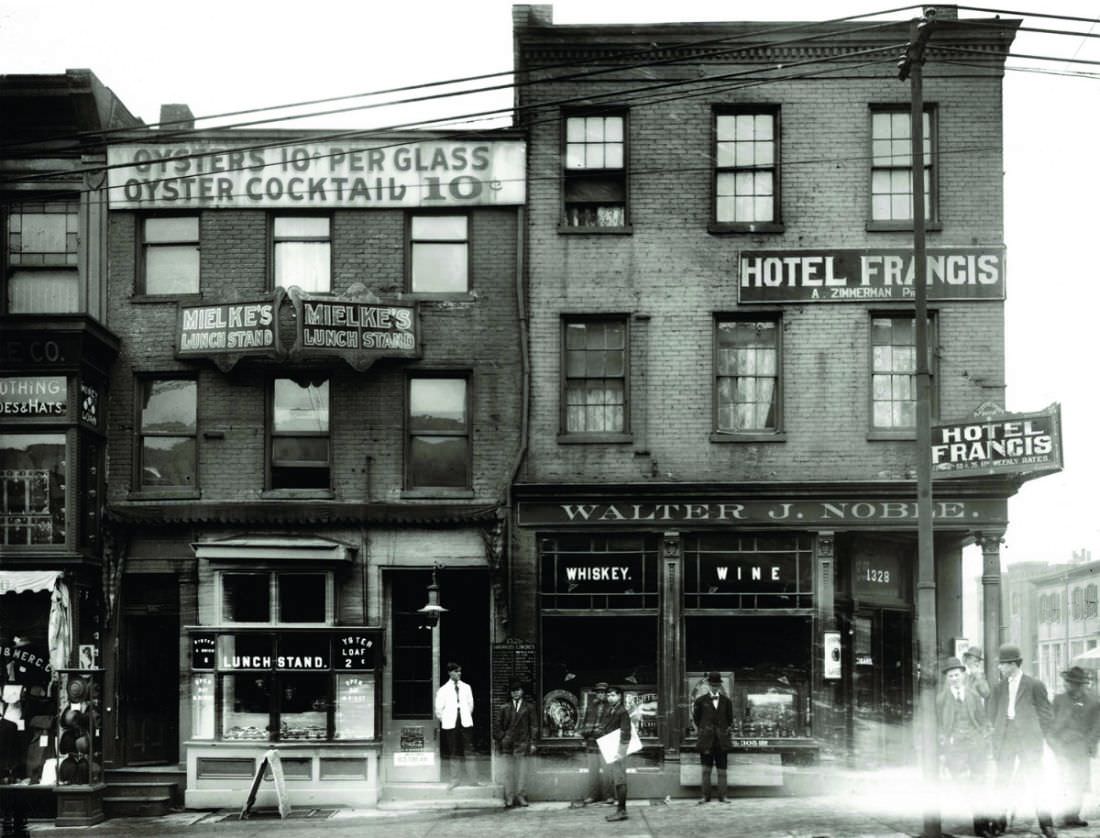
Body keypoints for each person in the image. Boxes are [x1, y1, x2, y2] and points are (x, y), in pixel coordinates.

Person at [988, 643, 1056, 838]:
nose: (999, 668)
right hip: (1006, 739)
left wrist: (1036, 737)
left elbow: (1046, 716)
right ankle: (998, 822)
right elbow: (992, 715)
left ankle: (1046, 825)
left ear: (1012, 664)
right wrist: (999, 734)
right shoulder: (999, 687)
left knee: (1037, 781)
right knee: (1002, 781)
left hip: (1029, 742)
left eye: (1002, 664)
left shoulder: (1034, 685)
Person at [936, 657, 993, 837]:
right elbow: (939, 724)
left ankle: (981, 825)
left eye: (957, 675)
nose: (954, 678)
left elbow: (983, 719)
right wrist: (944, 744)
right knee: (962, 784)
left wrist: (985, 737)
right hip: (955, 748)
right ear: (947, 678)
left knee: (979, 782)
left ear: (963, 675)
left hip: (976, 744)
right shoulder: (941, 699)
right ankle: (980, 817)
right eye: (951, 676)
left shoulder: (973, 695)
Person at [1049, 666, 1100, 829]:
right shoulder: (1058, 699)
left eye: (1068, 682)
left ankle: (1073, 816)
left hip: (1081, 748)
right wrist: (1055, 745)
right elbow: (1050, 723)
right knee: (1064, 780)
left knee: (1080, 782)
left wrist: (1089, 744)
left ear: (1077, 684)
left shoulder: (1094, 702)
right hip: (1062, 747)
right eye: (1066, 682)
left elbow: (1097, 726)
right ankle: (1064, 813)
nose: (1065, 685)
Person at [692, 671, 733, 805]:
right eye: (713, 685)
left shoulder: (727, 702)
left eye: (717, 685)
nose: (715, 687)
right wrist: (706, 731)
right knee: (706, 771)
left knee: (722, 771)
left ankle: (723, 796)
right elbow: (697, 720)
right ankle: (705, 797)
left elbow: (730, 720)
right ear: (709, 685)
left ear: (720, 685)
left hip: (722, 742)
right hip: (706, 741)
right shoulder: (700, 701)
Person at [434, 662, 477, 789]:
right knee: (454, 751)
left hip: (465, 722)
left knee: (469, 751)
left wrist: (464, 716)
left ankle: (473, 779)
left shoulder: (466, 687)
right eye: (456, 671)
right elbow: (438, 710)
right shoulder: (443, 690)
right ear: (450, 672)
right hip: (450, 723)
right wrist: (448, 719)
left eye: (460, 671)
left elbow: (470, 705)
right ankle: (454, 780)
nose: (459, 673)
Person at [495, 679, 537, 808]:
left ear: (522, 691)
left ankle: (521, 796)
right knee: (508, 772)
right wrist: (503, 738)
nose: (515, 693)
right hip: (507, 745)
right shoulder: (504, 708)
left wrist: (533, 742)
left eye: (518, 690)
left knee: (522, 772)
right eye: (513, 691)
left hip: (522, 744)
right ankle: (509, 797)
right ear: (510, 693)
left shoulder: (529, 707)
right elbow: (497, 726)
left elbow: (533, 726)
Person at [596, 685, 631, 822]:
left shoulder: (622, 711)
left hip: (618, 752)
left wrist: (620, 753)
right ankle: (620, 810)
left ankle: (622, 811)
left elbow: (626, 734)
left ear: (619, 696)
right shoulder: (611, 709)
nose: (610, 698)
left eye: (613, 695)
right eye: (608, 695)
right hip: (611, 749)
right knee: (618, 781)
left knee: (620, 780)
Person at [579, 681, 611, 805]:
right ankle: (593, 795)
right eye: (598, 692)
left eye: (603, 692)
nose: (600, 694)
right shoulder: (591, 706)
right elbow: (585, 723)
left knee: (607, 770)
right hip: (592, 741)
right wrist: (584, 738)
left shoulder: (612, 706)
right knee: (593, 770)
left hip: (606, 741)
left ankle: (609, 796)